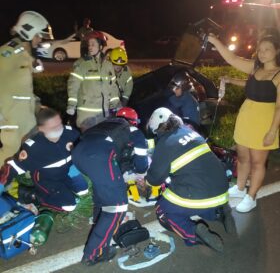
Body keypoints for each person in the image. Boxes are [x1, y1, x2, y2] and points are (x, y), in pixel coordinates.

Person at [208, 31, 280, 212]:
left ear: (277, 51)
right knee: (242, 157)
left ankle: (251, 196)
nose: (262, 53)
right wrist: (214, 40)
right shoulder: (255, 68)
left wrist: (272, 131)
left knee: (257, 162)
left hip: (264, 121)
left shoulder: (278, 75)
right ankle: (240, 189)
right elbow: (231, 59)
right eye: (260, 49)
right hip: (246, 117)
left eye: (267, 49)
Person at [145, 107, 235, 252]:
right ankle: (219, 213)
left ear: (157, 129)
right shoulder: (190, 132)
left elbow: (154, 179)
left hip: (200, 193)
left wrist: (146, 180)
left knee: (162, 210)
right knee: (195, 194)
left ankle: (193, 233)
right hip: (222, 188)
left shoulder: (165, 143)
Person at [72, 107, 148, 266]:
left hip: (79, 154)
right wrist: (140, 172)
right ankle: (94, 254)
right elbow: (142, 165)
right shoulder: (133, 130)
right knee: (117, 207)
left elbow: (117, 162)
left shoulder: (106, 126)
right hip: (99, 156)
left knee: (102, 197)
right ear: (133, 121)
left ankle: (99, 226)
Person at [0, 107, 88, 212]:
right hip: (47, 178)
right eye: (52, 126)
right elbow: (11, 168)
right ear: (41, 128)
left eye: (59, 123)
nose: (59, 129)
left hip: (68, 170)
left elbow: (84, 145)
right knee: (69, 206)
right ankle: (33, 195)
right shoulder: (33, 148)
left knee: (83, 190)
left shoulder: (70, 133)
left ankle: (64, 187)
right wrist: (1, 184)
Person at [0, 11, 53, 166]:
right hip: (11, 117)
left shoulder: (24, 53)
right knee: (9, 156)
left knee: (29, 153)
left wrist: (36, 104)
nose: (40, 39)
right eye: (38, 35)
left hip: (26, 118)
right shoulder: (8, 53)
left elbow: (21, 87)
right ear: (29, 33)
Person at [67, 31, 121, 132]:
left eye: (93, 44)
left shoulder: (108, 65)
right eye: (89, 45)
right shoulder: (81, 64)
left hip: (103, 114)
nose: (90, 47)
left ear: (100, 47)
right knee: (89, 144)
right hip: (87, 116)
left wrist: (116, 104)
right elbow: (73, 85)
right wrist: (71, 105)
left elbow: (113, 86)